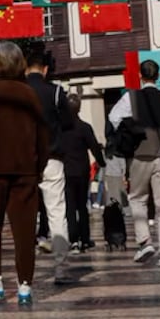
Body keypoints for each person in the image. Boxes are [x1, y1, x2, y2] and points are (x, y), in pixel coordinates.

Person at [0, 42, 49, 306]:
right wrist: (39, 166)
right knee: (24, 231)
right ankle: (25, 287)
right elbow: (43, 135)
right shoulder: (29, 94)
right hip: (25, 171)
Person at [108, 59, 160, 268]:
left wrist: (131, 128)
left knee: (137, 199)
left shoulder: (130, 97)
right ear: (158, 76)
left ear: (140, 76)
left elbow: (113, 117)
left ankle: (145, 242)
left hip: (138, 155)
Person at [22, 48, 75, 283]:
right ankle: (61, 268)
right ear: (45, 69)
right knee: (57, 213)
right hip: (52, 158)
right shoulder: (55, 92)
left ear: (25, 68)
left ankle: (24, 274)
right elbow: (67, 122)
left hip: (23, 161)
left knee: (22, 214)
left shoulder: (19, 93)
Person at [55, 95, 104, 253]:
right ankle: (84, 239)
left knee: (69, 207)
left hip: (66, 171)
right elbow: (94, 147)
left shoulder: (60, 128)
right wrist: (101, 162)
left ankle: (73, 239)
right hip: (82, 172)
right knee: (82, 206)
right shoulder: (84, 127)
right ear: (79, 108)